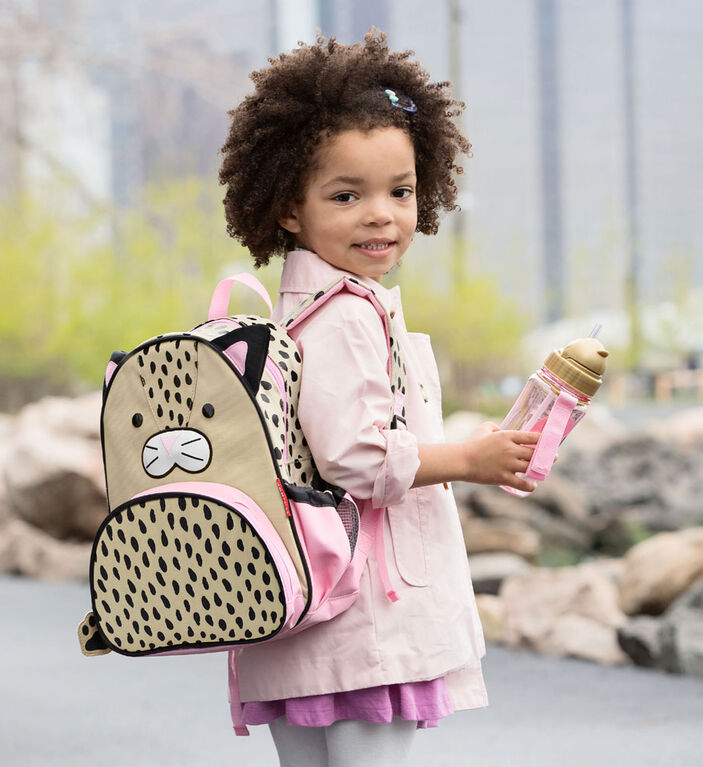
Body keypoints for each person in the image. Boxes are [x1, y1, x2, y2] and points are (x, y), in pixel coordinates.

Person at [218, 31, 540, 767]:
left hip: (302, 617)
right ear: (287, 209)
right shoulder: (343, 313)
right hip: (361, 618)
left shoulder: (294, 311)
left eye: (400, 191)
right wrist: (470, 457)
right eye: (346, 194)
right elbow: (358, 455)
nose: (381, 214)